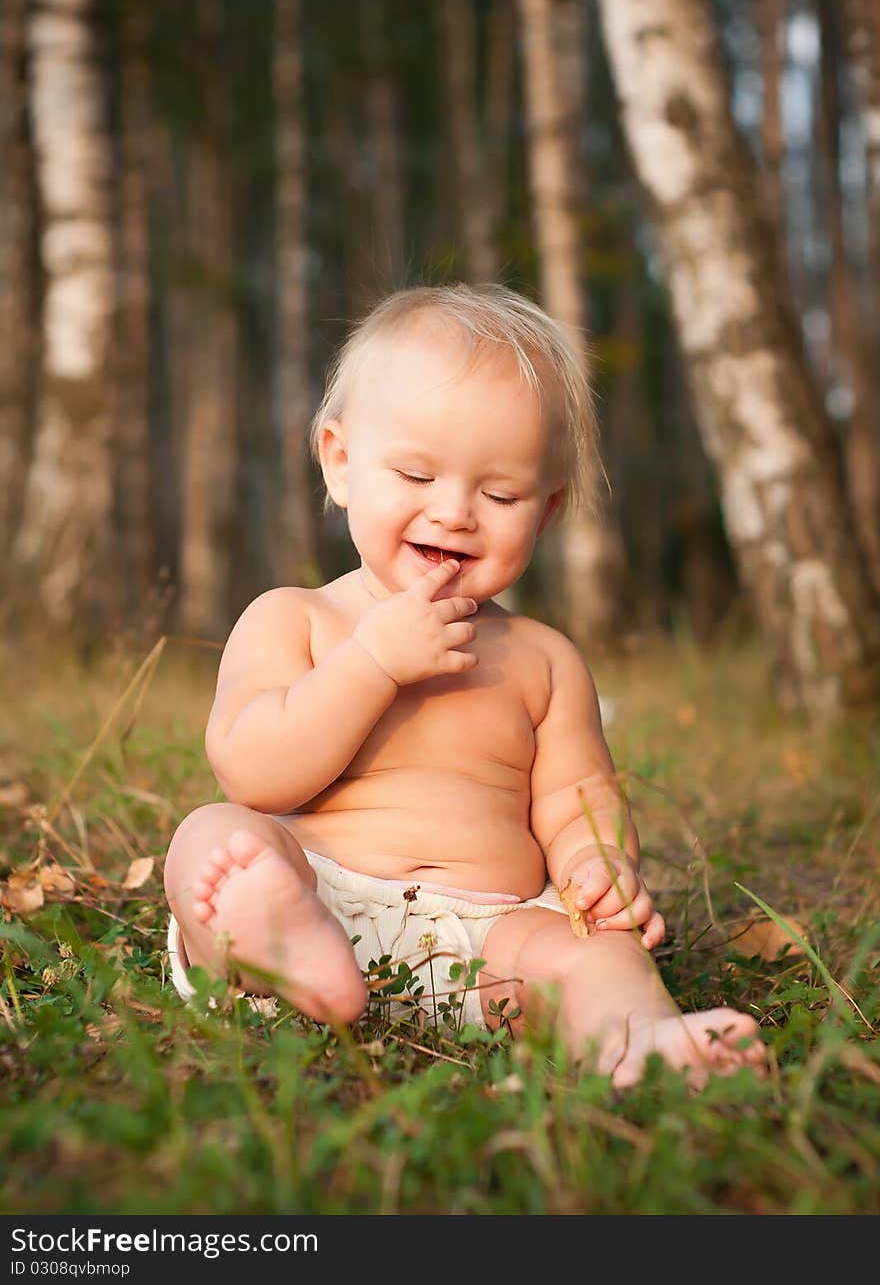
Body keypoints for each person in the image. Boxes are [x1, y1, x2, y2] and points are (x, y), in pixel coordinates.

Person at [163, 283, 767, 1090]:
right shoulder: (295, 619)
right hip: (316, 889)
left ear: (546, 511)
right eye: (416, 473)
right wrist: (372, 664)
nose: (454, 513)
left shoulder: (543, 659)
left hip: (490, 941)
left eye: (500, 494)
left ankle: (639, 1043)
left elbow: (577, 798)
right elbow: (252, 768)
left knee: (599, 953)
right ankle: (284, 950)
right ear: (341, 464)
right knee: (214, 837)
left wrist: (597, 864)